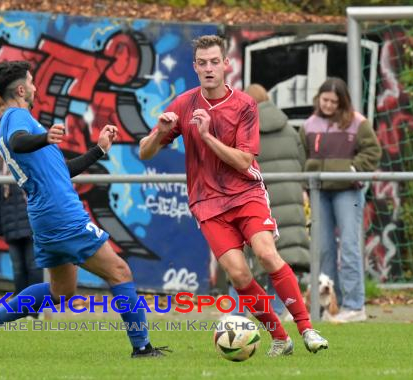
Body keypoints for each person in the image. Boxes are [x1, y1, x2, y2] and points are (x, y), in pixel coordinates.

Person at [0, 61, 169, 358]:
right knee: (120, 271)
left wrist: (98, 150)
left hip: (46, 217)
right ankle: (142, 347)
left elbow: (60, 170)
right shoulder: (16, 118)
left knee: (62, 292)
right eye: (31, 83)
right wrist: (45, 137)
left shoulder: (19, 121)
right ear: (21, 89)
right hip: (61, 215)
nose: (34, 88)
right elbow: (18, 142)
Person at [138, 35, 328, 356]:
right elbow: (145, 153)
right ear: (195, 67)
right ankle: (280, 338)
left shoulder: (244, 105)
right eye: (203, 63)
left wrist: (205, 136)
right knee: (239, 274)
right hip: (207, 203)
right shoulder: (183, 104)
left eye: (215, 61)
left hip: (246, 193)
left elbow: (243, 160)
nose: (209, 68)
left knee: (267, 254)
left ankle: (307, 328)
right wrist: (158, 131)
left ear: (226, 64)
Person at [300, 77, 381, 323]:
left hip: (349, 191)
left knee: (349, 247)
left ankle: (355, 305)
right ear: (318, 99)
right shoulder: (309, 125)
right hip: (319, 192)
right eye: (325, 100)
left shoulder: (358, 123)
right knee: (323, 249)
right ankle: (329, 309)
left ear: (342, 102)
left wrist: (353, 170)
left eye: (334, 102)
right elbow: (301, 155)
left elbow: (373, 151)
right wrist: (304, 185)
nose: (328, 105)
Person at [228, 84, 310, 319]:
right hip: (288, 203)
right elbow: (301, 162)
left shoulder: (241, 131)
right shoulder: (290, 130)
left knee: (240, 259)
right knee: (277, 257)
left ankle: (237, 313)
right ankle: (277, 309)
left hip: (254, 200)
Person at [0, 103, 43, 296]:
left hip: (29, 209)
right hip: (9, 215)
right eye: (1, 110)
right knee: (18, 266)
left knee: (34, 263)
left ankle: (35, 309)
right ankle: (21, 309)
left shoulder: (27, 137)